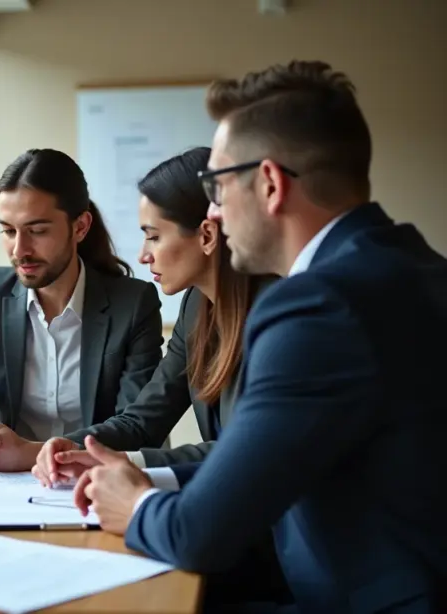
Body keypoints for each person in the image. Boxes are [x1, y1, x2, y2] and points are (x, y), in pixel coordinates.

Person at [76, 61, 447, 612]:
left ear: (270, 184)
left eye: (218, 187)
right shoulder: (415, 267)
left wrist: (132, 506)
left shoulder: (317, 307)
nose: (216, 214)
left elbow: (195, 535)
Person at [31, 147, 274, 485]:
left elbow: (244, 451)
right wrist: (70, 448)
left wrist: (121, 462)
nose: (143, 256)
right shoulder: (196, 307)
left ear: (207, 235)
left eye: (154, 236)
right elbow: (143, 420)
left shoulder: (274, 315)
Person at [0, 148, 163, 473]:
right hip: (9, 486)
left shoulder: (133, 303)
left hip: (96, 479)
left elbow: (137, 426)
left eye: (37, 231)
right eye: (9, 231)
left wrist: (31, 452)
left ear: (80, 227)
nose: (19, 250)